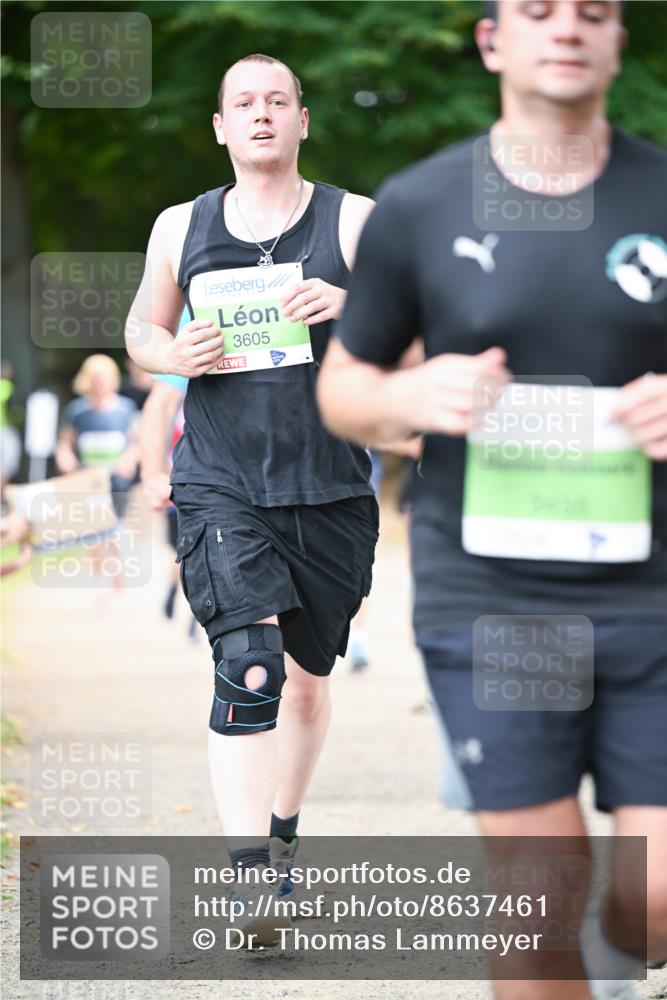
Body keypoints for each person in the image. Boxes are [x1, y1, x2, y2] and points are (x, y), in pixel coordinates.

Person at [318, 2, 666, 998]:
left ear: (616, 39)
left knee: (654, 902)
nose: (567, 27)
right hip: (497, 595)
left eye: (593, 10)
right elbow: (344, 386)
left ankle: (618, 948)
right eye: (537, 11)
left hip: (655, 592)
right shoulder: (421, 204)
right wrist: (404, 395)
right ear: (491, 41)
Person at [125, 54, 378, 944]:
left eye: (278, 102)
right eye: (244, 104)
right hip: (222, 481)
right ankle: (248, 884)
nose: (262, 115)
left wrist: (348, 304)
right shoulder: (178, 227)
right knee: (251, 670)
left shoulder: (355, 221)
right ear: (221, 128)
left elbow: (425, 334)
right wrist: (171, 355)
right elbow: (141, 330)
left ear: (303, 120)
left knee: (307, 688)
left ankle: (281, 836)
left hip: (332, 487)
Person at [56, 354, 140, 592]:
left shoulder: (125, 409)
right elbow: (64, 444)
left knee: (115, 532)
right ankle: (99, 582)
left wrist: (129, 459)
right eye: (95, 378)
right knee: (94, 533)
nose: (99, 383)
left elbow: (136, 444)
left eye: (104, 378)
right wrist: (67, 459)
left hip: (117, 482)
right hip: (89, 482)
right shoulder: (77, 411)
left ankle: (117, 580)